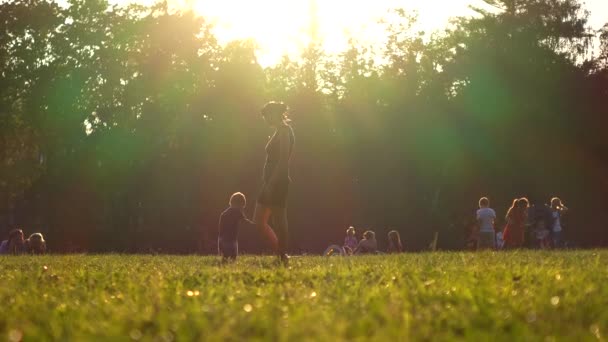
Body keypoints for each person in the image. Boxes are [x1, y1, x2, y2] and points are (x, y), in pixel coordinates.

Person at [254, 101, 295, 265]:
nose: (265, 119)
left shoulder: (285, 131)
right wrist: (267, 182)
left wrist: (272, 183)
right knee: (259, 221)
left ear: (275, 113)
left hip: (278, 182)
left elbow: (283, 160)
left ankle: (282, 255)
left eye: (267, 115)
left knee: (279, 220)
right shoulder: (278, 131)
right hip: (269, 182)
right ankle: (281, 252)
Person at [218, 192, 254, 261]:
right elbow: (244, 221)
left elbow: (220, 229)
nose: (242, 209)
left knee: (225, 258)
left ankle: (224, 269)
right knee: (233, 258)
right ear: (240, 204)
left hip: (221, 239)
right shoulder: (237, 211)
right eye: (242, 207)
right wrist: (253, 224)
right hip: (231, 240)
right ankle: (231, 269)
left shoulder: (224, 214)